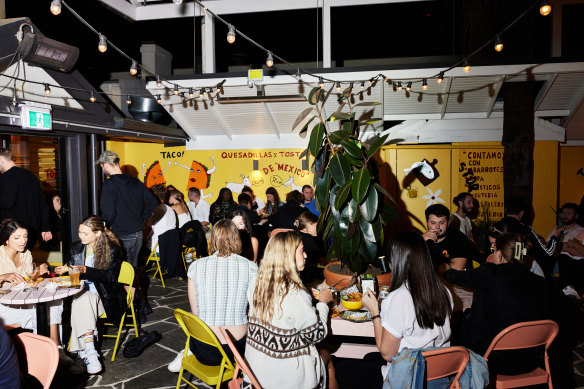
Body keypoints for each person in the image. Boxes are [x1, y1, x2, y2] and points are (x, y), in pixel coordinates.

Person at [244, 231, 337, 389]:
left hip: (255, 375)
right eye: (301, 250)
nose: (306, 255)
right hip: (286, 381)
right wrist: (323, 303)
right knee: (327, 356)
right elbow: (317, 335)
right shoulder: (295, 294)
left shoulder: (256, 282)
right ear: (288, 256)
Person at [359, 232, 453, 387]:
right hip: (436, 376)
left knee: (342, 369)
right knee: (369, 358)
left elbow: (387, 354)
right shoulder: (443, 291)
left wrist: (375, 311)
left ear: (394, 263)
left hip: (409, 378)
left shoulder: (400, 297)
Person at [167, 220, 257, 372]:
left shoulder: (196, 266)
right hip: (236, 351)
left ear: (212, 239)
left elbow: (195, 311)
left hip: (203, 350)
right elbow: (256, 310)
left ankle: (187, 350)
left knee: (197, 318)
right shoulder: (251, 267)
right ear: (237, 239)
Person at [443, 233, 546, 364]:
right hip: (530, 359)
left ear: (499, 254)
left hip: (492, 358)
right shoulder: (540, 282)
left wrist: (445, 269)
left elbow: (455, 276)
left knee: (458, 324)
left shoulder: (490, 272)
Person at [55, 216, 127, 375]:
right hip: (80, 293)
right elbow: (70, 270)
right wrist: (64, 270)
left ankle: (84, 352)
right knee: (82, 298)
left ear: (98, 234)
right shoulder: (76, 248)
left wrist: (85, 270)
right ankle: (90, 351)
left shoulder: (113, 249)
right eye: (79, 232)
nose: (80, 236)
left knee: (82, 300)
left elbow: (109, 277)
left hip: (104, 298)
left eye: (85, 233)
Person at [0, 219, 62, 346]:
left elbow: (28, 281)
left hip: (22, 300)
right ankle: (48, 348)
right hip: (3, 305)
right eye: (17, 238)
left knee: (55, 301)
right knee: (40, 313)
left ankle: (55, 346)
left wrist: (37, 272)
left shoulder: (26, 254)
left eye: (25, 236)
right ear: (6, 239)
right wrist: (3, 277)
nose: (23, 241)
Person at [97, 150, 158, 268]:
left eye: (101, 165)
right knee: (132, 269)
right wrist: (143, 218)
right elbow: (153, 201)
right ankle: (133, 286)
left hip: (121, 234)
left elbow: (109, 213)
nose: (102, 168)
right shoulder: (135, 181)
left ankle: (128, 287)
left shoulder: (109, 184)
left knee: (120, 271)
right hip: (138, 234)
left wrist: (102, 227)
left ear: (106, 164)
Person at [0, 147, 52, 250]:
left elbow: (7, 202)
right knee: (25, 261)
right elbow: (42, 204)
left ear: (1, 160)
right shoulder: (31, 176)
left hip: (13, 232)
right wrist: (45, 227)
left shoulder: (6, 177)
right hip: (31, 232)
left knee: (10, 263)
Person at [422, 204, 477, 270]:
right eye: (433, 223)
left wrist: (427, 268)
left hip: (456, 279)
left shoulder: (459, 239)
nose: (437, 227)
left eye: (441, 223)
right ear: (427, 223)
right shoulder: (423, 239)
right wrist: (420, 241)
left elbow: (457, 268)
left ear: (448, 223)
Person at [548, 203, 584, 298]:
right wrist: (566, 246)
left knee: (564, 258)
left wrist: (560, 246)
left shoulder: (580, 230)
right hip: (554, 260)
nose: (564, 215)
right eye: (563, 213)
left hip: (572, 264)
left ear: (576, 216)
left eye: (568, 213)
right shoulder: (557, 230)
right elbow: (548, 246)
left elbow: (580, 253)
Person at [150, 185, 185, 279]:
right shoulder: (170, 209)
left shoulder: (157, 209)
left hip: (159, 249)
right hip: (170, 247)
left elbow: (149, 230)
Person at [295, 212, 325, 284]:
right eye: (316, 225)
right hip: (307, 277)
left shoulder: (294, 234)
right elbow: (318, 258)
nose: (318, 228)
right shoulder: (309, 239)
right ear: (308, 225)